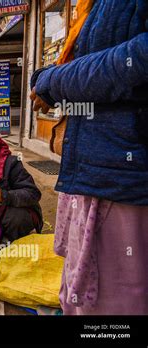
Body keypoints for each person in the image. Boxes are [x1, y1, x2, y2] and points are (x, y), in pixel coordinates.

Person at [30, 0, 148, 315]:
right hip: (97, 168)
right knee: (85, 296)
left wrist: (54, 82)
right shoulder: (94, 6)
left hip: (125, 178)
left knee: (118, 303)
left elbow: (137, 59)